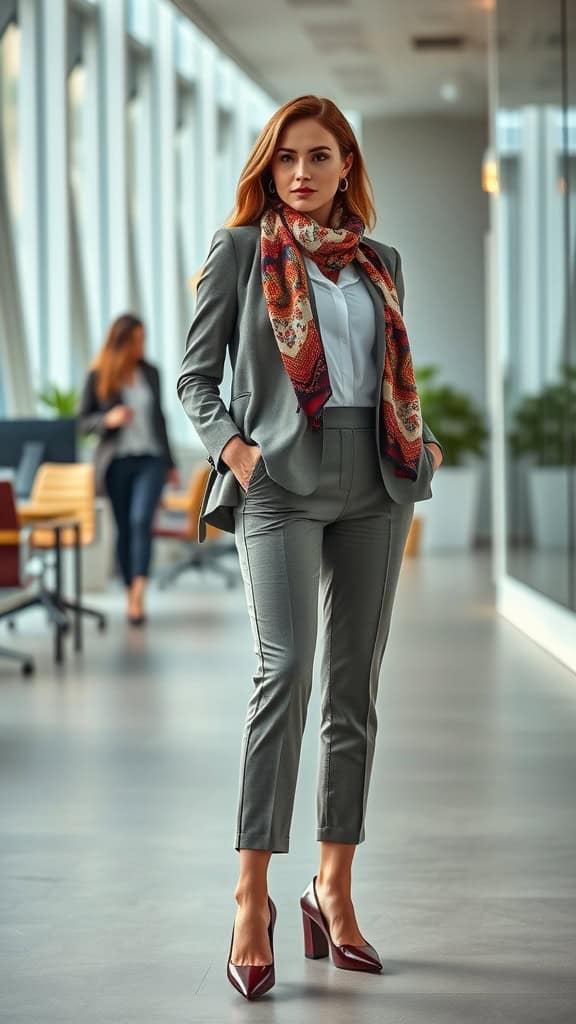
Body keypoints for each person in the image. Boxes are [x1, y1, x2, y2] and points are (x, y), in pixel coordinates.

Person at [177, 94, 444, 1000]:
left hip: (377, 480)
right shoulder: (243, 253)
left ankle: (332, 887)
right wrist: (237, 452)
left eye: (319, 156)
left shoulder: (381, 261)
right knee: (283, 673)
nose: (301, 173)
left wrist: (424, 438)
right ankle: (250, 896)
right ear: (269, 164)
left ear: (345, 165)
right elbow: (194, 377)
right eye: (286, 156)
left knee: (351, 690)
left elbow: (393, 368)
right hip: (278, 483)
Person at [79, 314, 179, 624]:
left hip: (150, 459)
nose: (141, 346)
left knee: (140, 521)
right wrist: (107, 420)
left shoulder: (151, 372)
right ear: (121, 341)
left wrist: (171, 464)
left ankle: (138, 592)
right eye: (136, 340)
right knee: (124, 527)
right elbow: (83, 422)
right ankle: (128, 588)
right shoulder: (98, 375)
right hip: (116, 463)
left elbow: (160, 419)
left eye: (142, 339)